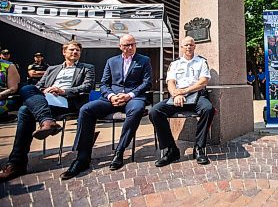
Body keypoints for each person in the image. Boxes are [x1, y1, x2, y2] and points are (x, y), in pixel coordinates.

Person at [0, 40, 95, 182]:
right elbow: (38, 86)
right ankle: (47, 121)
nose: (75, 52)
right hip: (46, 99)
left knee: (25, 110)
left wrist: (62, 90)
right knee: (27, 89)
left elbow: (87, 87)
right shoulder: (52, 69)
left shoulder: (87, 68)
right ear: (64, 52)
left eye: (77, 50)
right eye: (72, 50)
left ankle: (17, 162)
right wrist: (45, 90)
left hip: (66, 101)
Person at [61, 34, 152, 180]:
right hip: (111, 98)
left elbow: (147, 82)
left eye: (132, 44)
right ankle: (82, 158)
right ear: (120, 46)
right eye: (126, 45)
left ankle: (120, 151)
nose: (130, 48)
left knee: (136, 110)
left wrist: (129, 95)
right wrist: (111, 96)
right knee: (86, 110)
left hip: (133, 98)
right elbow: (104, 84)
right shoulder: (111, 61)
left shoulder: (144, 60)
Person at [149, 36, 214, 167]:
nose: (189, 47)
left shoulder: (201, 62)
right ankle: (171, 150)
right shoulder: (175, 63)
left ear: (195, 46)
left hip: (196, 96)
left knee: (208, 109)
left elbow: (203, 81)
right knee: (155, 111)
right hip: (178, 97)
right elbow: (171, 82)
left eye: (191, 44)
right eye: (186, 45)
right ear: (182, 47)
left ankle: (199, 148)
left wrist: (183, 91)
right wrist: (175, 94)